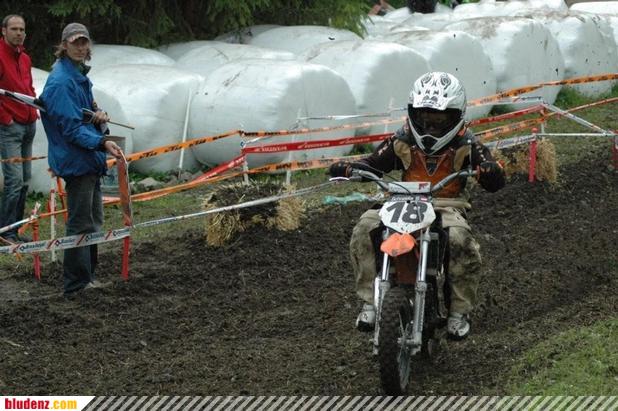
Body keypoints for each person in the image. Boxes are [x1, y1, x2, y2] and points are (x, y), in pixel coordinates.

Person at [329, 72, 505, 339]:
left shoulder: (468, 143)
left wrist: (490, 170)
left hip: (446, 204)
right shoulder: (402, 139)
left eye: (439, 119)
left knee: (460, 239)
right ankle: (369, 301)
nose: (431, 126)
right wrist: (350, 167)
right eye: (424, 117)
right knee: (364, 227)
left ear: (455, 116)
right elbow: (373, 163)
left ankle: (459, 311)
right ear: (413, 113)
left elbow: (494, 178)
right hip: (401, 200)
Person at [40, 22, 123, 296]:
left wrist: (98, 118)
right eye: (74, 42)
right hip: (77, 160)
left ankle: (88, 278)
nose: (80, 47)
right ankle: (76, 285)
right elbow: (71, 129)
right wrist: (102, 141)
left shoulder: (78, 76)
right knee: (80, 224)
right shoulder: (61, 82)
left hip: (88, 159)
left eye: (84, 42)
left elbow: (83, 118)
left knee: (92, 221)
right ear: (64, 45)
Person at [0, 14, 38, 243]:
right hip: (10, 128)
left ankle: (15, 228)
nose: (19, 33)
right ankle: (5, 232)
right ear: (3, 31)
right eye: (14, 29)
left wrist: (35, 110)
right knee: (14, 181)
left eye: (22, 29)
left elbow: (28, 88)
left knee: (24, 179)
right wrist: (6, 119)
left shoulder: (24, 58)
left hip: (28, 124)